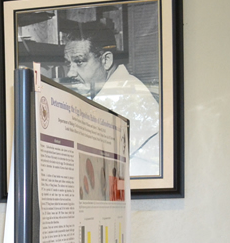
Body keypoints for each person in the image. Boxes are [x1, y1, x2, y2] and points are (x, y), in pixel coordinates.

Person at [63, 20, 160, 179]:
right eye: (69, 64)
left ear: (106, 60)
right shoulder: (110, 92)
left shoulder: (128, 98)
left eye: (79, 62)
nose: (70, 73)